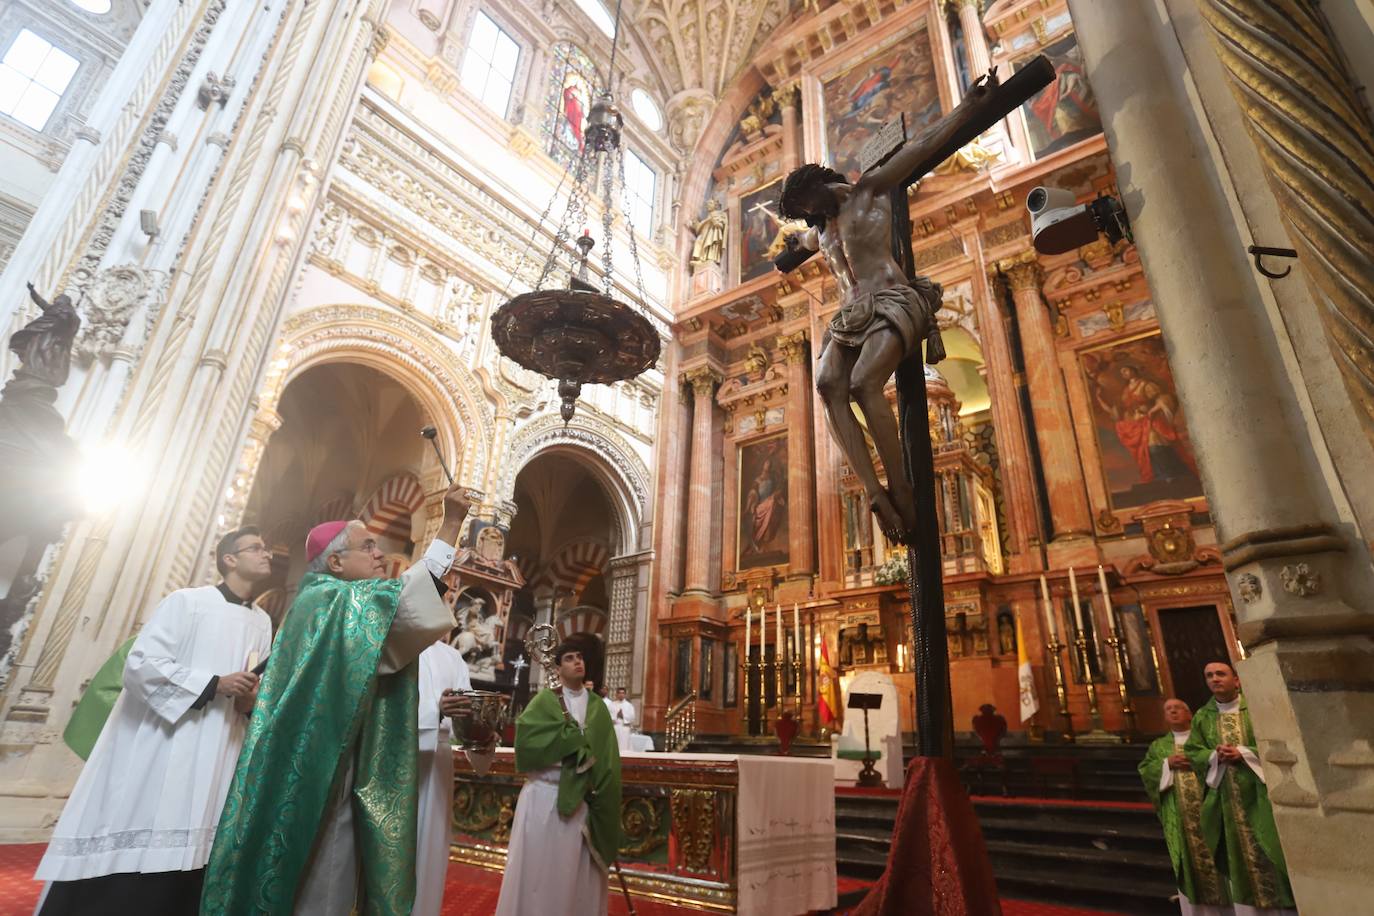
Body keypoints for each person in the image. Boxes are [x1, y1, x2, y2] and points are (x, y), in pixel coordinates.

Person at [201, 485, 472, 915]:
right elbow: (404, 602)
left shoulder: (329, 602)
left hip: (332, 763)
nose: (379, 554)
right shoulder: (328, 600)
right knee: (320, 878)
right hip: (320, 771)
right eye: (368, 547)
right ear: (336, 561)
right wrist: (451, 524)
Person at [777, 73, 996, 542]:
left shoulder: (872, 190)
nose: (809, 215)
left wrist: (970, 107)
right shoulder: (822, 230)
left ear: (819, 185)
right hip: (849, 315)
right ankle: (875, 490)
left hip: (893, 299)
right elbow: (797, 244)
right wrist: (790, 248)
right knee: (826, 384)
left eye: (806, 204)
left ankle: (902, 483)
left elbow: (922, 146)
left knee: (861, 383)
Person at [34, 527, 273, 915]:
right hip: (168, 740)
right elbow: (142, 665)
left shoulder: (263, 622)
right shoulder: (186, 602)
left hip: (219, 747)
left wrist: (248, 698)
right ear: (230, 559)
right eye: (257, 548)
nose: (268, 554)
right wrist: (215, 683)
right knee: (149, 824)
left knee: (199, 845)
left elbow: (253, 687)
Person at [495, 636, 621, 916]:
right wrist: (568, 742)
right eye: (570, 658)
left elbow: (608, 760)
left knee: (573, 875)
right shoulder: (545, 702)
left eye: (580, 657)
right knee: (539, 874)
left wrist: (600, 798)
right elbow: (526, 747)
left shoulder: (598, 707)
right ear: (558, 668)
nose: (578, 662)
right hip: (544, 799)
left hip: (582, 805)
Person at [1185, 661, 1297, 916]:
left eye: (1220, 674)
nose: (1215, 679)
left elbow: (1280, 742)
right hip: (1228, 801)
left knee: (1274, 852)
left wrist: (1244, 753)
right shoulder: (1203, 717)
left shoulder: (1256, 709)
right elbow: (1193, 752)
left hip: (1262, 797)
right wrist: (1215, 755)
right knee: (1242, 861)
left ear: (1236, 680)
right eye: (1209, 676)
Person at [1140, 698, 1231, 915]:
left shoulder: (1206, 737)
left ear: (1190, 714)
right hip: (1183, 819)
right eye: (1168, 709)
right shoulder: (1159, 746)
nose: (1172, 712)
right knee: (1192, 868)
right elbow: (1146, 770)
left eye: (1177, 708)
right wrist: (1166, 764)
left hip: (1214, 813)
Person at [415, 639, 473, 916]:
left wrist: (478, 729)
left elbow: (466, 712)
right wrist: (433, 710)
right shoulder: (393, 643)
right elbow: (382, 705)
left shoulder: (452, 656)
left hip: (439, 762)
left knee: (431, 851)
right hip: (397, 757)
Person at [608, 687, 636, 752]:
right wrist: (616, 716)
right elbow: (608, 716)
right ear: (616, 694)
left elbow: (632, 717)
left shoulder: (629, 705)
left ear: (625, 694)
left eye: (623, 693)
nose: (621, 695)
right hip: (615, 727)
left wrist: (623, 716)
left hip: (625, 728)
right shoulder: (612, 704)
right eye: (619, 693)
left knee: (624, 746)